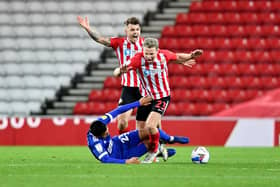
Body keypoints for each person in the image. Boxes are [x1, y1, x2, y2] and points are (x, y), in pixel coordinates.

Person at [116, 38, 202, 163]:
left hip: (162, 97)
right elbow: (121, 69)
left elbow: (177, 57)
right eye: (146, 53)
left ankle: (154, 150)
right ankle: (159, 147)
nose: (149, 56)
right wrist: (119, 71)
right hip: (146, 98)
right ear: (143, 51)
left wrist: (191, 55)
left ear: (157, 51)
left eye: (151, 53)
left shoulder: (164, 55)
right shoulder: (137, 59)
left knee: (150, 125)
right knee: (141, 131)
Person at [77, 16, 146, 134]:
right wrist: (88, 29)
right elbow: (100, 39)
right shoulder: (119, 43)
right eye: (132, 30)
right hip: (129, 88)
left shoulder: (146, 44)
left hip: (145, 88)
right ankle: (126, 148)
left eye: (137, 30)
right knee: (122, 123)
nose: (135, 32)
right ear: (126, 31)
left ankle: (159, 145)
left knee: (147, 125)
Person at [87, 96, 189, 164]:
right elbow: (105, 159)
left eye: (107, 130)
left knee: (148, 130)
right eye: (105, 134)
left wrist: (138, 103)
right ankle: (156, 150)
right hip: (121, 155)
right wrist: (127, 161)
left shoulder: (100, 122)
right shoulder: (95, 144)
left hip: (118, 142)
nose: (108, 132)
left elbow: (118, 110)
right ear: (98, 136)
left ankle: (170, 139)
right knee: (150, 142)